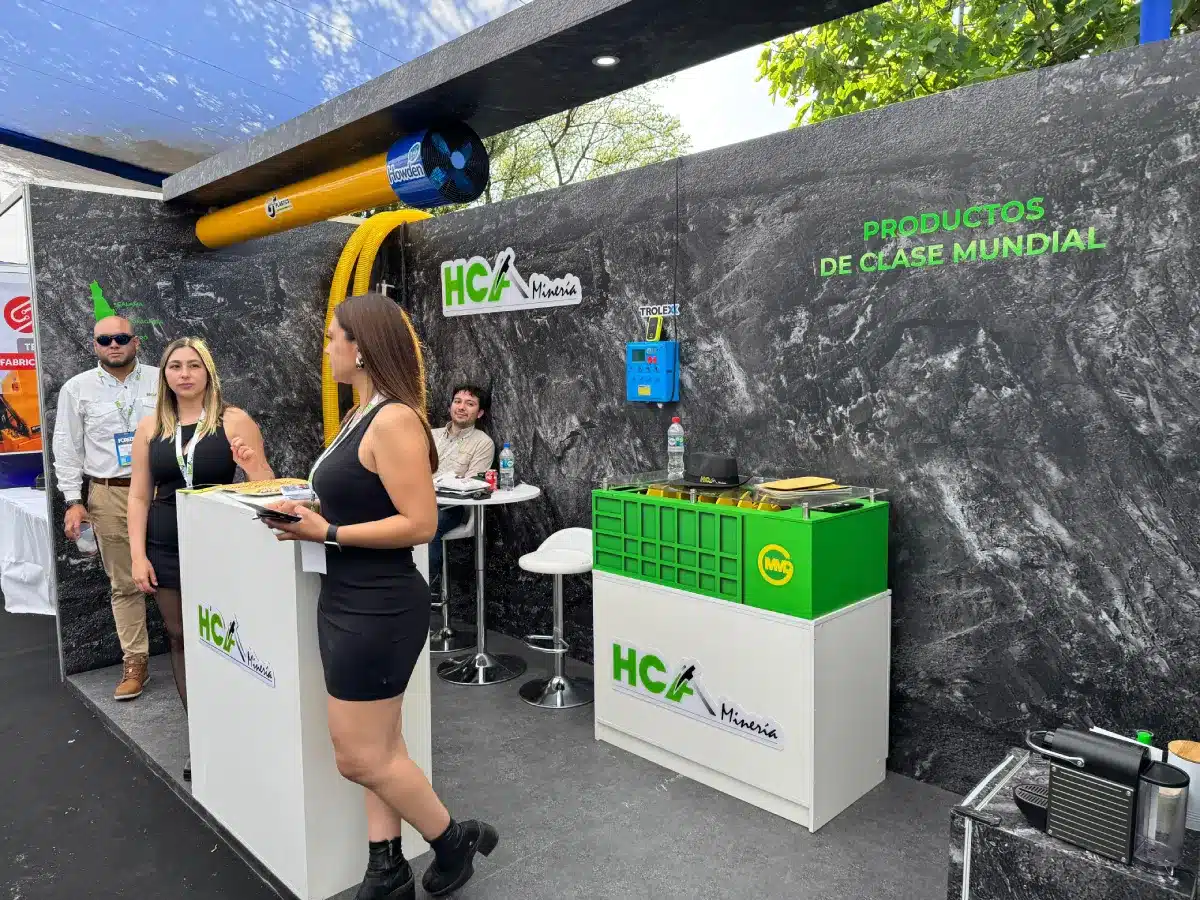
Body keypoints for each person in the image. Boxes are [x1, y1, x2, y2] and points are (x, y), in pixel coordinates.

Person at [266, 294, 497, 900]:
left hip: (379, 606)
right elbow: (362, 497)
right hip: (348, 597)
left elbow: (420, 523)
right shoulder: (361, 413)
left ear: (362, 346)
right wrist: (309, 511)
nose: (326, 349)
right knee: (383, 746)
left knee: (358, 758)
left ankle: (454, 840)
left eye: (332, 338)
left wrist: (328, 532)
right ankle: (386, 865)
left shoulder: (393, 419)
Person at [127, 337, 272, 779]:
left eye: (193, 365)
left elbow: (265, 484)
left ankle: (240, 726)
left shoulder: (233, 420)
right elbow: (138, 496)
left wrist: (251, 465)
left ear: (208, 372)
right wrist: (137, 556)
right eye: (175, 366)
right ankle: (202, 733)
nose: (184, 374)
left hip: (220, 547)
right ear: (164, 375)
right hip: (166, 546)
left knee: (226, 636)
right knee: (179, 637)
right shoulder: (150, 427)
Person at [52, 315, 160, 701]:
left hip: (163, 491)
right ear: (94, 345)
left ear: (136, 341)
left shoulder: (162, 379)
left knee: (183, 573)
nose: (113, 344)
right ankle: (136, 662)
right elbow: (66, 447)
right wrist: (73, 501)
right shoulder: (77, 389)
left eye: (121, 337)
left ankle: (192, 652)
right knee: (125, 583)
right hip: (110, 493)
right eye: (104, 340)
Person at [429, 384, 495, 585]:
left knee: (428, 524)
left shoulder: (483, 443)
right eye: (457, 401)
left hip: (451, 507)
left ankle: (428, 584)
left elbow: (472, 485)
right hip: (417, 499)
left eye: (470, 404)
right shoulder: (430, 435)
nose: (461, 407)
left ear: (480, 413)